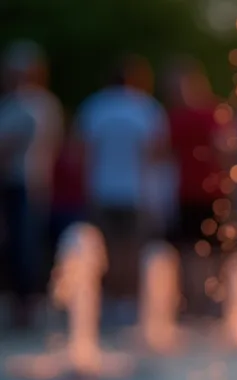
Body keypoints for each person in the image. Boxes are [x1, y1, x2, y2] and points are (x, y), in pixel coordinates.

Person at [72, 56, 169, 314]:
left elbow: (81, 151)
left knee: (104, 247)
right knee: (132, 247)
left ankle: (109, 299)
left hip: (102, 189)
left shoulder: (95, 106)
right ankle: (128, 299)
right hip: (136, 190)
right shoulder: (146, 108)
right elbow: (157, 152)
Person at [0, 42, 62, 328]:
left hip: (28, 183)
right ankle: (18, 304)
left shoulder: (35, 104)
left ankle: (27, 307)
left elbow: (10, 145)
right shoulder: (13, 103)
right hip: (13, 183)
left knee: (26, 245)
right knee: (15, 244)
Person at [165, 58, 223, 314]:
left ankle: (201, 299)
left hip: (202, 190)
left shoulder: (183, 116)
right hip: (196, 191)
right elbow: (224, 148)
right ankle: (203, 298)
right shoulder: (207, 114)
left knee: (200, 248)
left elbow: (160, 152)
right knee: (198, 248)